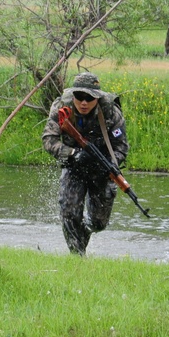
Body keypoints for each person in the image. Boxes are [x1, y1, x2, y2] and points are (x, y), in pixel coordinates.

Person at [41, 71, 130, 256]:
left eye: (89, 98)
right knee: (69, 211)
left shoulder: (111, 112)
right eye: (79, 96)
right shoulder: (62, 107)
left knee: (98, 223)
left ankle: (84, 232)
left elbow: (121, 147)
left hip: (101, 170)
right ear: (73, 95)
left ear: (97, 98)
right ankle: (77, 257)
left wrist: (109, 164)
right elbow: (49, 140)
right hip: (73, 166)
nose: (83, 102)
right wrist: (73, 153)